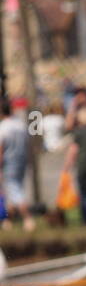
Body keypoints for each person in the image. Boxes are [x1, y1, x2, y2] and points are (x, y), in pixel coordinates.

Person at [0, 98, 34, 232]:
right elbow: (28, 144)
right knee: (12, 191)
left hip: (9, 163)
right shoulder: (21, 125)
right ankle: (8, 221)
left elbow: (1, 149)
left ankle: (28, 219)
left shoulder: (3, 127)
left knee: (15, 191)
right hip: (21, 161)